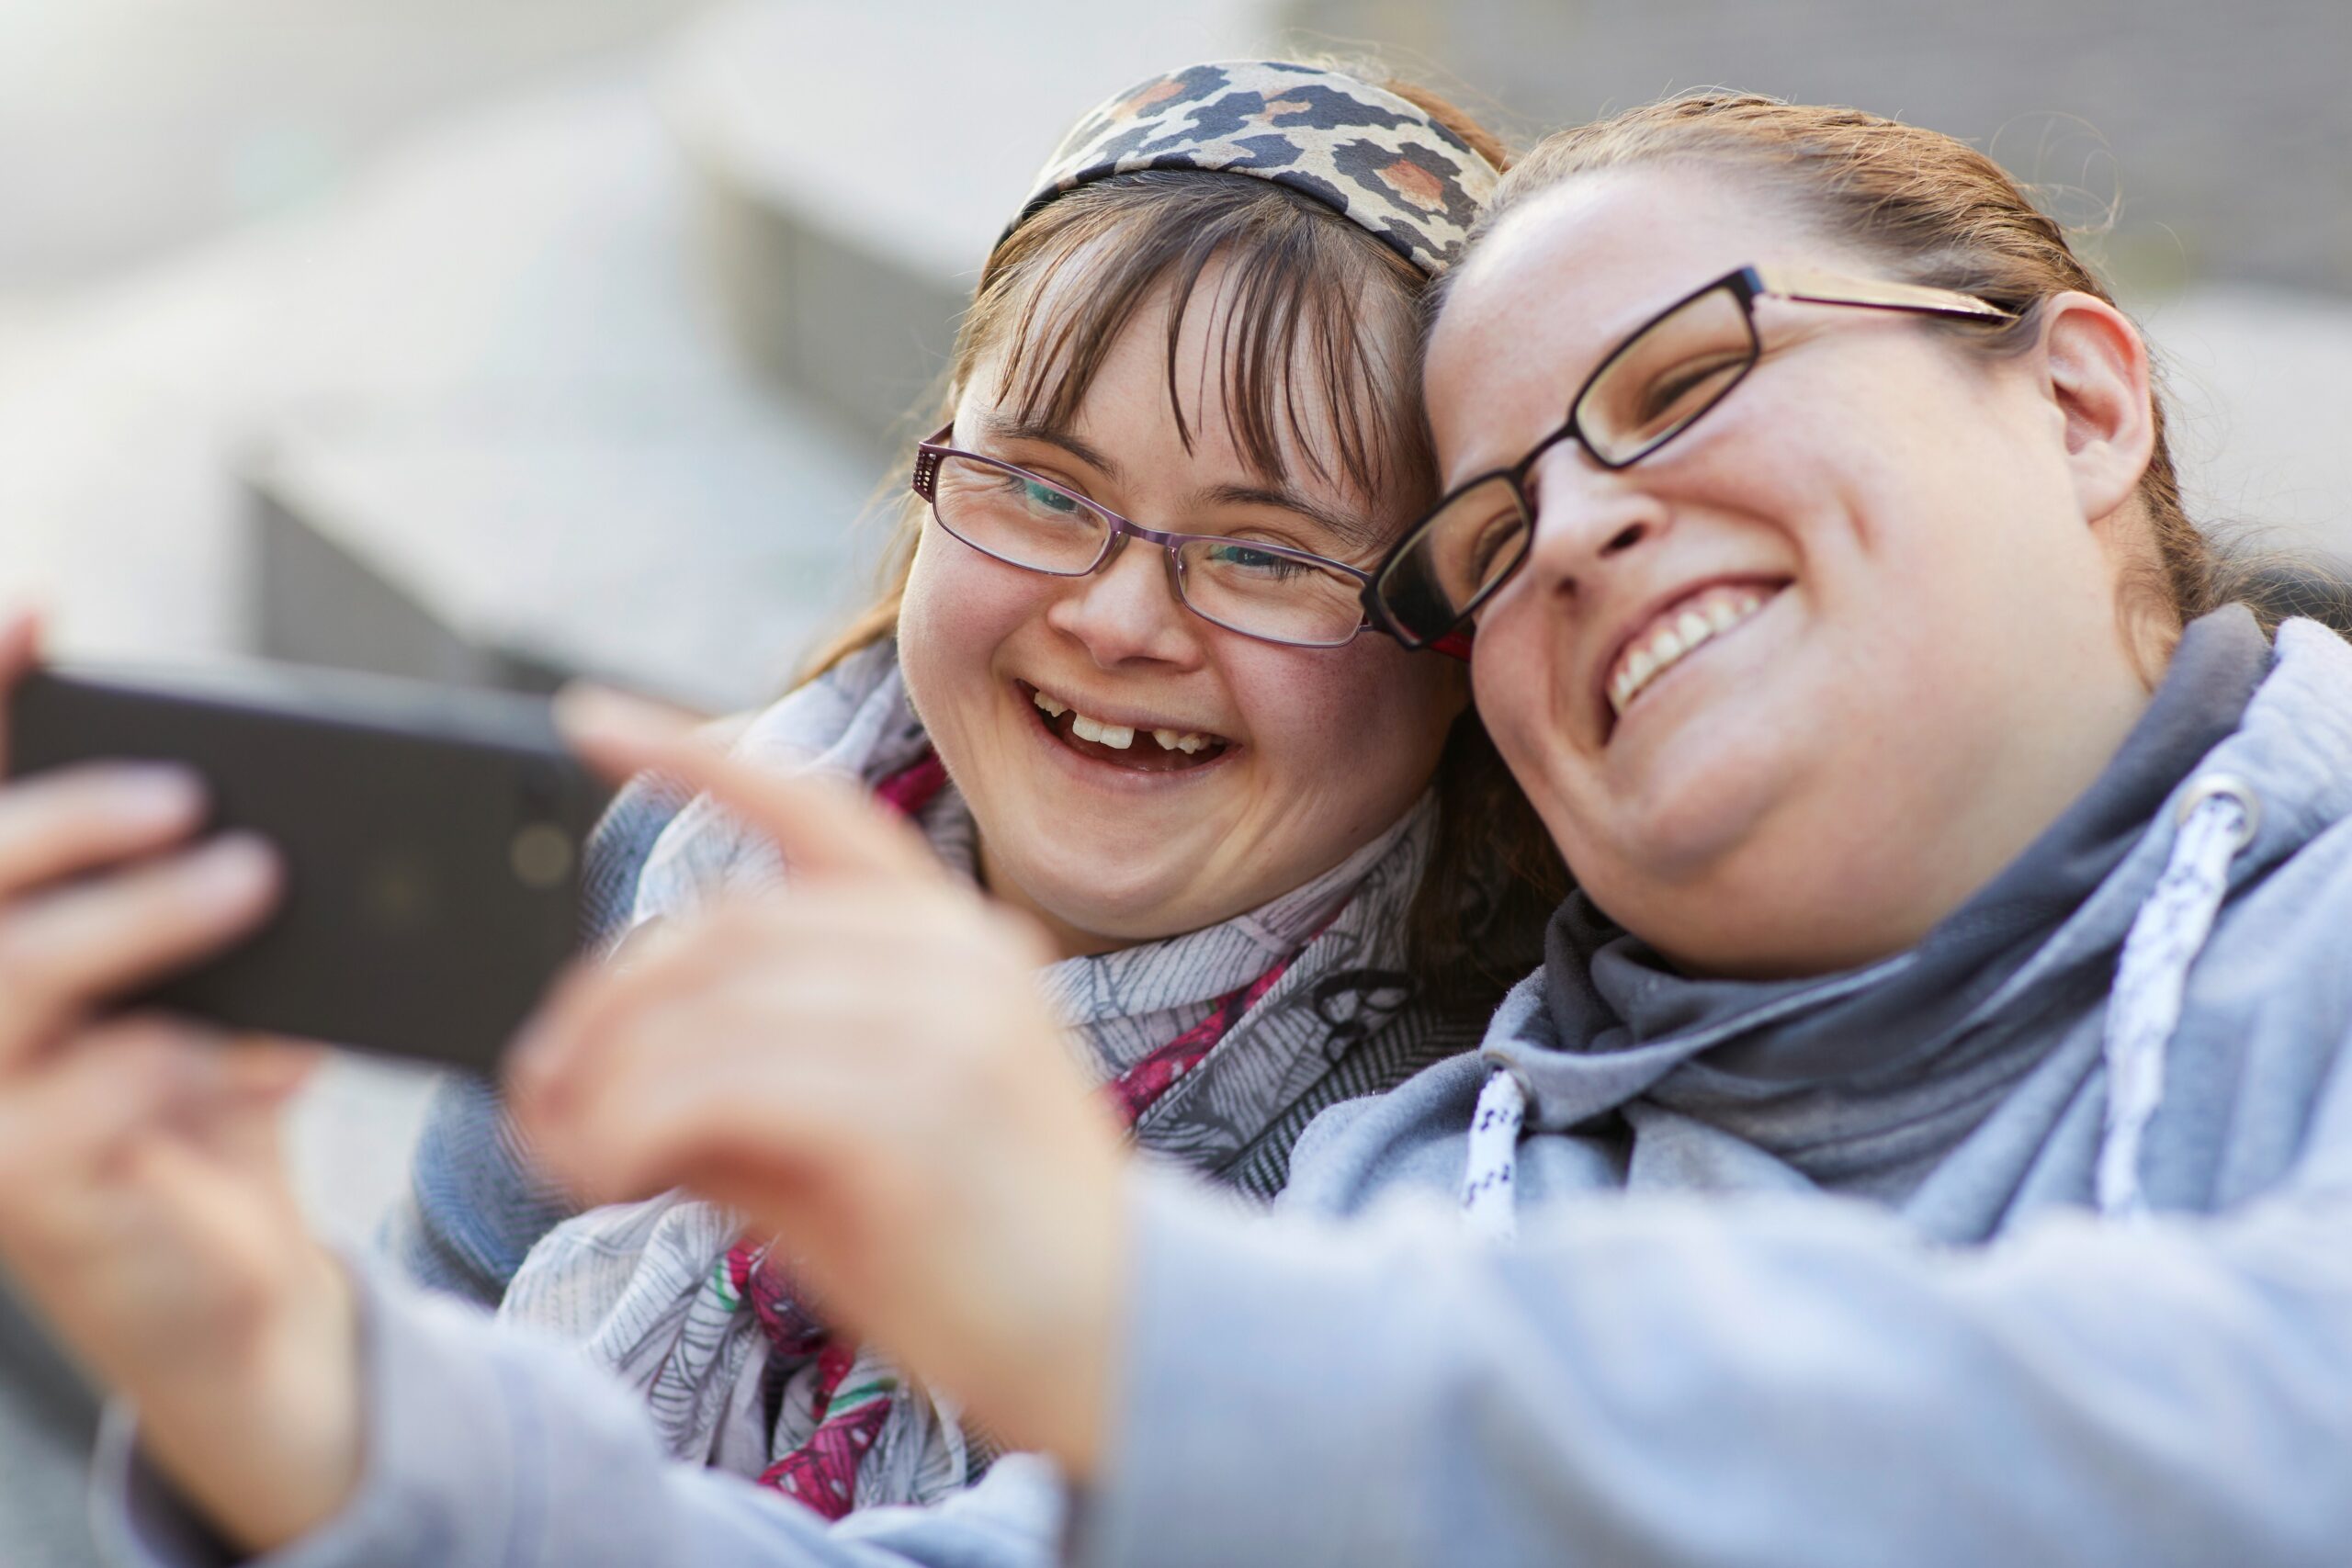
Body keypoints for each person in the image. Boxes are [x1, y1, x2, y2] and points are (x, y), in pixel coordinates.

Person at [9, 87, 2352, 1568]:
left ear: (2069, 393)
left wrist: (1126, 1313)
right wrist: (278, 1379)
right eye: (1488, 530)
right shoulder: (1451, 1192)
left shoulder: (1303, 1234)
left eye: (1682, 378)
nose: (1586, 530)